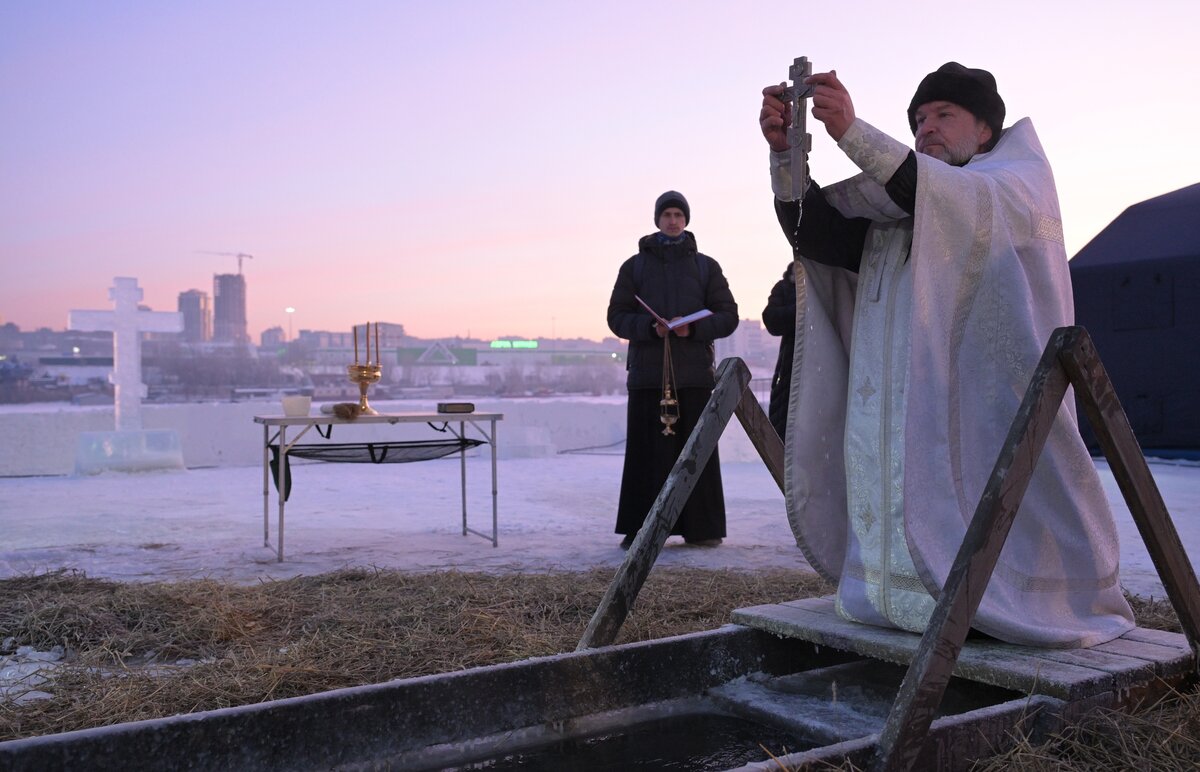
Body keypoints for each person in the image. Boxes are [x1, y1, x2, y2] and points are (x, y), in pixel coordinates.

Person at [758, 63, 1134, 648]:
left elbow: (953, 200)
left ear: (984, 129)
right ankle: (899, 593)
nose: (926, 127)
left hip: (996, 407)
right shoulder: (900, 206)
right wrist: (789, 155)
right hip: (906, 404)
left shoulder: (1014, 185)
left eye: (943, 115)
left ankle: (1009, 600)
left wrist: (852, 132)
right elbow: (819, 238)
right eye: (918, 119)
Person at [607, 191, 739, 549]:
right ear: (657, 219)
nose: (673, 220)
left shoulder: (705, 267)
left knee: (696, 452)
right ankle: (640, 528)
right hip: (648, 377)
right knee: (645, 455)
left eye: (679, 213)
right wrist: (651, 329)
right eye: (667, 213)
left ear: (686, 220)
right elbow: (616, 317)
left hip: (694, 376)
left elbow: (728, 316)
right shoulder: (633, 267)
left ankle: (703, 528)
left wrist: (691, 329)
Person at [761, 262, 797, 442]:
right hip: (790, 369)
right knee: (784, 434)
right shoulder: (785, 288)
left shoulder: (833, 282)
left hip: (825, 370)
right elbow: (771, 320)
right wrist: (802, 309)